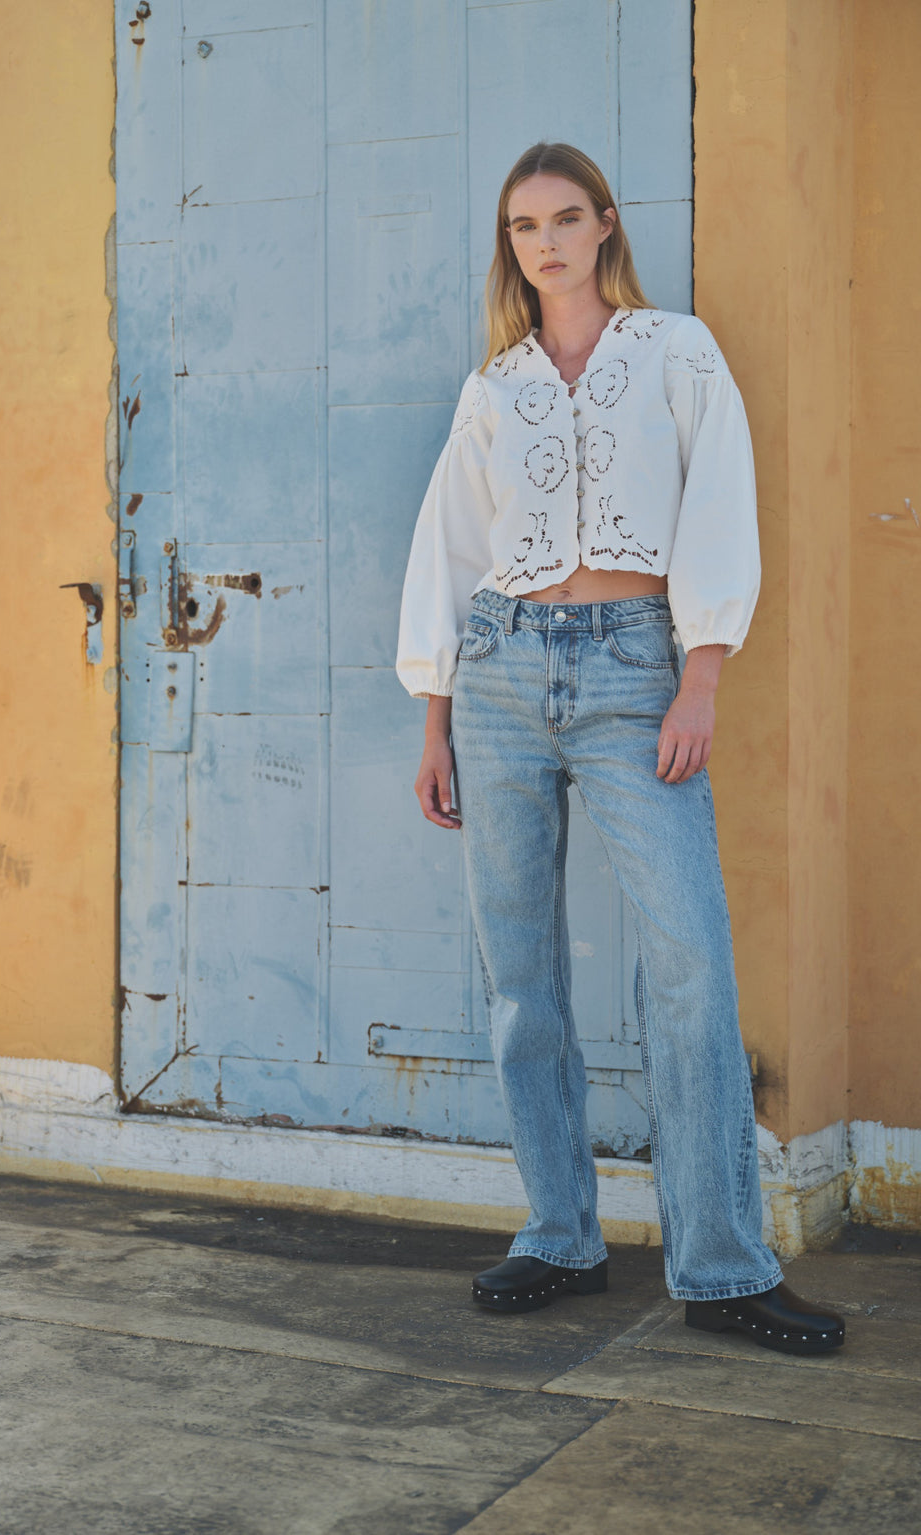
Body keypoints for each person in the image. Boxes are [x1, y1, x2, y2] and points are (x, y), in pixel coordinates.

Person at [395, 142, 844, 1357]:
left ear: (603, 227)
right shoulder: (495, 385)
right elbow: (447, 549)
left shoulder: (675, 352)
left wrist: (700, 672)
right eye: (521, 225)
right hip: (495, 674)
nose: (542, 241)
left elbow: (721, 507)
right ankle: (559, 1232)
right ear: (513, 244)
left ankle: (720, 1264)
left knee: (688, 955)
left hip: (636, 667)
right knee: (520, 974)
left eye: (563, 218)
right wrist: (435, 716)